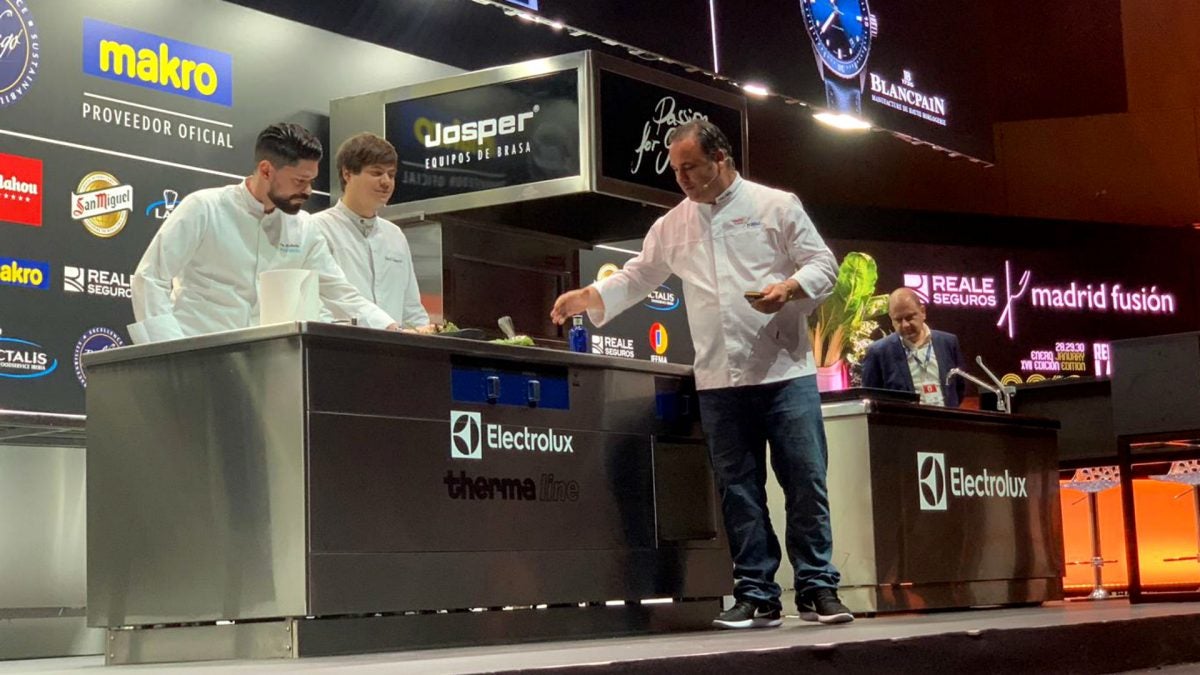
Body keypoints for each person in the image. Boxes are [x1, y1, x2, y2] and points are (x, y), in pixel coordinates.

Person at [550, 119, 853, 628]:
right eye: (677, 170)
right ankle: (757, 593)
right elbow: (639, 275)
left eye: (691, 167)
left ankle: (818, 588)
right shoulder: (672, 226)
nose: (683, 178)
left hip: (785, 372)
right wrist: (591, 297)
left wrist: (789, 288)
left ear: (721, 160)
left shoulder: (775, 205)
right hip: (718, 379)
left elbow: (823, 264)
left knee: (805, 481)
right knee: (738, 491)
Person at [129, 123, 399, 343]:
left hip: (264, 366)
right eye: (299, 181)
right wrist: (170, 351)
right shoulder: (204, 208)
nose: (308, 191)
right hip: (198, 355)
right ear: (266, 170)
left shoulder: (304, 228)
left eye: (311, 181)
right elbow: (150, 278)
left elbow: (340, 293)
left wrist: (388, 328)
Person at [310, 132, 434, 333]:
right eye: (376, 173)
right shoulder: (317, 228)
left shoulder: (395, 235)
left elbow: (411, 309)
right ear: (347, 174)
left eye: (391, 174)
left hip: (396, 354)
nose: (386, 182)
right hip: (341, 349)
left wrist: (425, 336)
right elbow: (331, 297)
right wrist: (390, 328)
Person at [861, 287, 966, 407]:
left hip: (946, 422)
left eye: (910, 317)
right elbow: (871, 399)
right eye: (898, 320)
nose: (905, 325)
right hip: (906, 424)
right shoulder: (878, 352)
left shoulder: (948, 342)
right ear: (891, 319)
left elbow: (959, 388)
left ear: (923, 312)